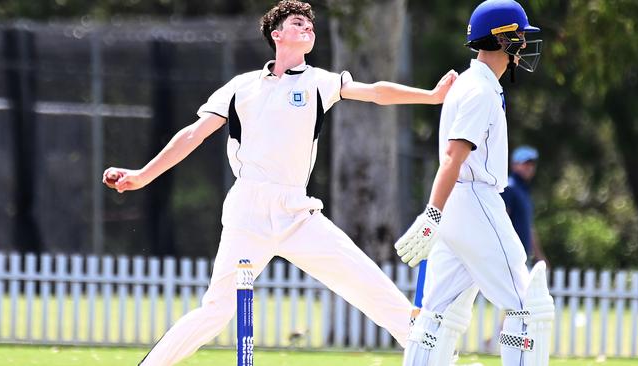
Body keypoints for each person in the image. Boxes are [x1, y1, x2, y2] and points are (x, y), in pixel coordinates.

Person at [103, 1, 457, 365]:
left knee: (366, 281)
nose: (309, 29)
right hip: (248, 212)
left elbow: (376, 91)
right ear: (277, 34)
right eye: (298, 22)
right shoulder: (241, 87)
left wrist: (430, 97)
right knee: (216, 309)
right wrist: (142, 175)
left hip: (296, 212)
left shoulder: (320, 81)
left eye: (311, 25)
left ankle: (431, 356)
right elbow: (193, 134)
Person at [394, 1, 554, 365]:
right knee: (527, 306)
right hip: (475, 200)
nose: (524, 47)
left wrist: (439, 215)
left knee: (437, 315)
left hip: (457, 207)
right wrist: (431, 214)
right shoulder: (480, 91)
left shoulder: (470, 84)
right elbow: (454, 155)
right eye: (520, 37)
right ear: (502, 39)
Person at [501, 146, 548, 267]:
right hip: (509, 256)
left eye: (532, 164)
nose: (529, 167)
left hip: (521, 257)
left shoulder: (524, 191)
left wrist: (540, 257)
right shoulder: (509, 187)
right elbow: (502, 220)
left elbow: (529, 227)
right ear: (514, 165)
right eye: (525, 163)